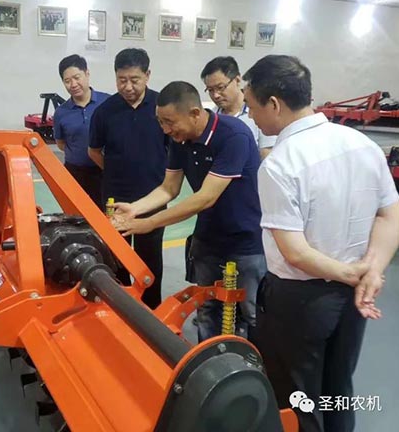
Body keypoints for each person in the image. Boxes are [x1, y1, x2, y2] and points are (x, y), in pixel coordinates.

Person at [243, 55, 399, 432]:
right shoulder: (362, 145)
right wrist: (371, 272)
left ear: (274, 104)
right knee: (338, 388)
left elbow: (295, 252)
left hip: (301, 302)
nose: (251, 116)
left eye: (251, 106)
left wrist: (354, 274)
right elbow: (392, 213)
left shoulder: (280, 163)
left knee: (298, 397)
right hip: (353, 300)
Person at [111, 81, 266, 341]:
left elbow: (206, 197)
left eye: (169, 122)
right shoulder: (180, 139)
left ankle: (256, 363)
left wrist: (150, 223)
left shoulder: (233, 136)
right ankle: (210, 360)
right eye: (160, 122)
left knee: (252, 312)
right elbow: (168, 188)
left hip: (245, 241)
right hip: (207, 239)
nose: (165, 129)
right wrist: (134, 209)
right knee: (207, 307)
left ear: (194, 113)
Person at [88, 48, 168, 309]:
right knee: (116, 257)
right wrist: (116, 171)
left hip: (153, 197)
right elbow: (94, 151)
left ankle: (152, 311)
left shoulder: (161, 107)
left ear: (147, 75)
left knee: (150, 259)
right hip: (115, 198)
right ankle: (120, 310)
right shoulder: (105, 111)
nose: (128, 86)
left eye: (135, 80)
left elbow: (174, 148)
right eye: (122, 80)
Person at [53, 54, 110, 209]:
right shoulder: (61, 113)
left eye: (77, 77)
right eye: (67, 81)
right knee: (75, 214)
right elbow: (61, 143)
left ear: (87, 74)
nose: (73, 84)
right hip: (75, 174)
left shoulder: (108, 103)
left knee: (106, 214)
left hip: (104, 171)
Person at [201, 56, 276, 160]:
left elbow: (267, 155)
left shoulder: (260, 112)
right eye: (210, 90)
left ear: (237, 80)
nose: (216, 95)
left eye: (220, 87)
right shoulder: (211, 117)